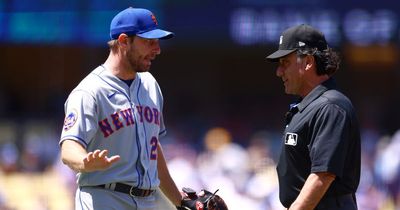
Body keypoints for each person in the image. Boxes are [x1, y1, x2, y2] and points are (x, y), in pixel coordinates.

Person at [59, 7, 183, 210]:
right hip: (104, 198)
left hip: (147, 201)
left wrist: (181, 202)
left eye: (157, 42)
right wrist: (84, 161)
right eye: (149, 42)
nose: (157, 49)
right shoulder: (90, 91)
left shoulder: (150, 84)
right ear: (124, 41)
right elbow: (68, 147)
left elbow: (152, 148)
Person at [266, 24, 361, 210]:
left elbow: (322, 176)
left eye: (285, 63)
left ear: (308, 62)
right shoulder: (310, 105)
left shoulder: (330, 106)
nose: (279, 72)